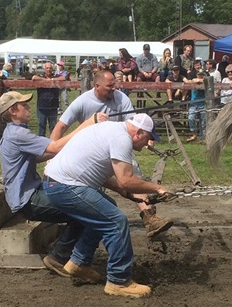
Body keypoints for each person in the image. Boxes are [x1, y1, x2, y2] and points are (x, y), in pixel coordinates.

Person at [43, 113, 173, 298]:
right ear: (138, 132)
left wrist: (122, 192)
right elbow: (127, 180)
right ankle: (118, 281)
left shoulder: (112, 130)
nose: (148, 144)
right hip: (65, 186)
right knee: (115, 221)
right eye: (148, 138)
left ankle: (78, 263)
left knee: (106, 208)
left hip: (57, 183)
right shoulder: (122, 139)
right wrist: (158, 188)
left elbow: (98, 170)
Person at [0, 91, 107, 280]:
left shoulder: (14, 133)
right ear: (13, 111)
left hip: (29, 195)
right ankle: (64, 258)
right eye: (24, 105)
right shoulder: (18, 134)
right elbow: (54, 148)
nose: (28, 107)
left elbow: (45, 154)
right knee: (93, 209)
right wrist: (87, 125)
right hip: (29, 199)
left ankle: (63, 254)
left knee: (83, 210)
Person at [51, 70, 173, 237]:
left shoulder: (121, 97)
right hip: (93, 151)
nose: (114, 88)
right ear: (97, 86)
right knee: (112, 188)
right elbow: (60, 128)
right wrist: (53, 152)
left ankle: (150, 218)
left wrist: (145, 138)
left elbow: (133, 124)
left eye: (115, 85)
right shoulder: (82, 102)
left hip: (120, 146)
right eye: (109, 86)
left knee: (133, 175)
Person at [32, 61, 61, 137]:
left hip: (53, 106)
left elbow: (64, 77)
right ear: (44, 69)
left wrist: (51, 80)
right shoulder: (40, 76)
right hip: (42, 106)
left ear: (52, 69)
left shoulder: (55, 76)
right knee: (41, 125)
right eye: (47, 68)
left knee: (53, 126)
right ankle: (41, 143)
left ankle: (53, 143)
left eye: (50, 68)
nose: (49, 70)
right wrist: (45, 80)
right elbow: (34, 77)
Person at [185, 69, 207, 142]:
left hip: (203, 103)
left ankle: (202, 137)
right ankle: (194, 134)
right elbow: (191, 81)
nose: (200, 76)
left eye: (202, 74)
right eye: (199, 74)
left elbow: (207, 81)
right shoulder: (194, 80)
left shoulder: (206, 81)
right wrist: (197, 80)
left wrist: (202, 80)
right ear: (197, 75)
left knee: (203, 121)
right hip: (193, 103)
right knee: (191, 118)